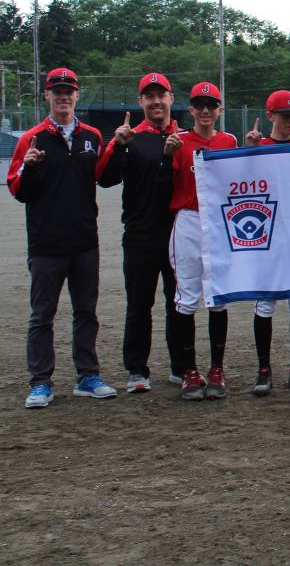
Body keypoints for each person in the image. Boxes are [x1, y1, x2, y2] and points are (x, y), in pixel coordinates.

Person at [7, 68, 117, 408]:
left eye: (68, 90)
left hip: (84, 241)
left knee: (87, 312)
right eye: (56, 90)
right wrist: (30, 166)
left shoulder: (92, 137)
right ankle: (41, 382)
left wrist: (120, 147)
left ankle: (88, 375)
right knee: (42, 315)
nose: (63, 96)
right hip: (46, 245)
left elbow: (104, 177)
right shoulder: (32, 139)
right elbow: (18, 189)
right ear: (46, 96)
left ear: (77, 95)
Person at [97, 72, 182, 392]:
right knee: (138, 304)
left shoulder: (183, 137)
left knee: (179, 303)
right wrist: (117, 147)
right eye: (150, 96)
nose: (156, 101)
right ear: (141, 101)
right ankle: (137, 370)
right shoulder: (131, 138)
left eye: (162, 95)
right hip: (140, 234)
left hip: (176, 234)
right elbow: (104, 179)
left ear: (171, 99)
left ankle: (181, 366)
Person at [165, 82, 238, 400]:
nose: (206, 110)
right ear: (191, 109)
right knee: (187, 298)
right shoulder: (178, 141)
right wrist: (165, 156)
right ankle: (189, 370)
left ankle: (216, 369)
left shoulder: (229, 141)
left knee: (218, 296)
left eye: (212, 105)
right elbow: (161, 182)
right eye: (200, 105)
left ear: (220, 110)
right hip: (190, 218)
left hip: (220, 221)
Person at [243, 90, 290, 395]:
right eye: (286, 116)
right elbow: (240, 183)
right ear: (270, 116)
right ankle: (264, 370)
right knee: (266, 301)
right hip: (267, 232)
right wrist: (248, 152)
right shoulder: (260, 147)